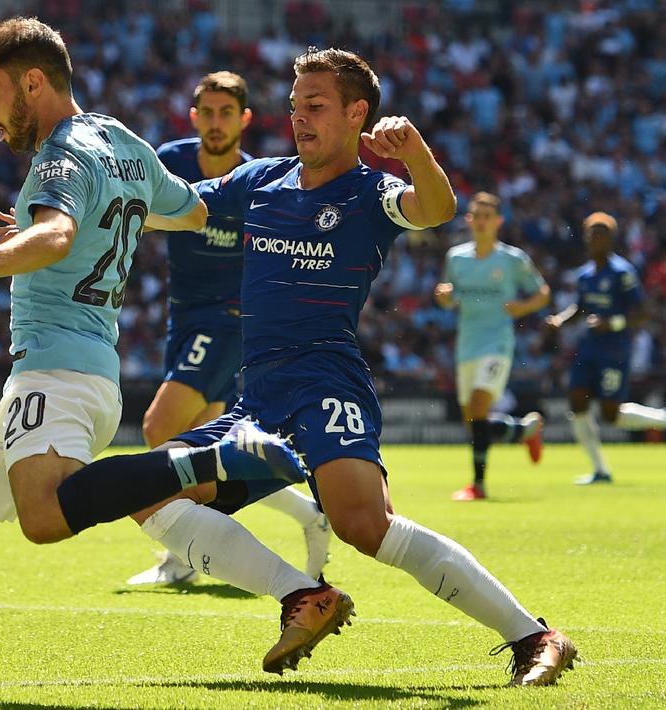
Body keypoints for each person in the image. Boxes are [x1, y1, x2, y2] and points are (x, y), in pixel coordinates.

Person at [0, 18, 312, 697]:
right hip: (77, 369)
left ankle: (213, 457)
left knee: (42, 519)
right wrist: (65, 228)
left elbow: (60, 233)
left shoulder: (60, 157)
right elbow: (187, 212)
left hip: (58, 369)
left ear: (32, 82)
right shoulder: (121, 141)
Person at [53, 47, 577, 685]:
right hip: (257, 394)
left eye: (316, 107)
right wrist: (77, 216)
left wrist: (414, 153)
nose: (299, 118)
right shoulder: (262, 180)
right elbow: (181, 207)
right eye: (295, 106)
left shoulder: (369, 191)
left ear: (358, 114)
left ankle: (534, 635)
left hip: (326, 378)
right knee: (148, 495)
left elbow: (436, 209)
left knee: (364, 524)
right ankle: (304, 595)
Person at [132, 71, 330, 585]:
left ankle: (182, 555)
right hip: (184, 315)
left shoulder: (257, 181)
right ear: (193, 117)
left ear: (244, 119)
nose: (216, 123)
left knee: (158, 430)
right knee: (205, 453)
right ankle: (308, 513)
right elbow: (128, 204)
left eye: (227, 113)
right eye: (207, 113)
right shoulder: (169, 162)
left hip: (230, 321)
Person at [433, 191, 550, 501]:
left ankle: (478, 486)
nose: (482, 222)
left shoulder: (512, 259)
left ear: (498, 221)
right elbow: (448, 298)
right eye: (477, 216)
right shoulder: (456, 257)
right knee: (474, 423)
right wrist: (443, 296)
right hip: (466, 345)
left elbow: (542, 293)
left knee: (479, 407)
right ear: (469, 220)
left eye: (488, 217)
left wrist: (523, 308)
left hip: (497, 343)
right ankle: (523, 430)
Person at [545, 211, 666, 484]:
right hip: (590, 347)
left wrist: (612, 324)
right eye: (592, 234)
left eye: (601, 234)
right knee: (577, 401)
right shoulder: (584, 275)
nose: (596, 239)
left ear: (610, 239)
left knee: (611, 415)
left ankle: (662, 419)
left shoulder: (623, 273)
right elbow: (581, 307)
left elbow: (643, 312)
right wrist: (560, 320)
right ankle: (600, 469)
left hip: (615, 348)